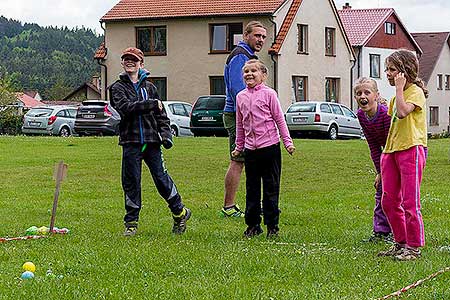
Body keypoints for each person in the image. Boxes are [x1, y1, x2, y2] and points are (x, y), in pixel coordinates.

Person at [110, 47, 191, 236]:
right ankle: (131, 223)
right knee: (131, 182)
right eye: (127, 59)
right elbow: (125, 108)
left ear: (141, 64)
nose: (130, 62)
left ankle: (180, 213)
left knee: (162, 180)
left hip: (151, 142)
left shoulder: (150, 87)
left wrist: (166, 135)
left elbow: (161, 115)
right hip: (131, 142)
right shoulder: (117, 88)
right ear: (122, 63)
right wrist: (152, 104)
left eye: (134, 60)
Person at [232, 59, 295, 238]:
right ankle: (253, 225)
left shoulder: (269, 94)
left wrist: (287, 142)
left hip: (270, 148)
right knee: (252, 188)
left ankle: (272, 226)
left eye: (254, 71)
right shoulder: (240, 97)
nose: (249, 74)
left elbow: (279, 119)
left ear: (263, 75)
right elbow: (240, 124)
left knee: (270, 188)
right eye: (246, 72)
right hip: (251, 150)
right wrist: (239, 146)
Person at [377, 50, 428, 260]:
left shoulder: (415, 92)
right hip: (391, 151)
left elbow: (402, 112)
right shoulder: (393, 98)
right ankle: (400, 242)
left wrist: (399, 89)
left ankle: (413, 247)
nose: (387, 73)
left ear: (405, 71)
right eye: (387, 69)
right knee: (388, 201)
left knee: (410, 202)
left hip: (412, 149)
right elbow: (392, 124)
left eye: (392, 69)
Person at [221, 21, 267, 218]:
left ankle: (254, 204)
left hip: (244, 114)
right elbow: (238, 89)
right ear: (246, 36)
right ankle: (229, 207)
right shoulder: (240, 56)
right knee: (237, 160)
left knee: (251, 160)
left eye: (264, 37)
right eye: (257, 36)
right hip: (237, 114)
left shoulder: (248, 56)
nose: (261, 40)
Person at [354, 77, 392, 243]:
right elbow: (373, 145)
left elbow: (391, 142)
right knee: (380, 192)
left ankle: (398, 232)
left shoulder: (385, 114)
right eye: (358, 93)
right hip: (385, 154)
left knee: (393, 194)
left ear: (376, 95)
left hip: (397, 151)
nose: (363, 96)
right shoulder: (361, 115)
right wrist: (379, 171)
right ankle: (380, 232)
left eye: (367, 92)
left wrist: (384, 171)